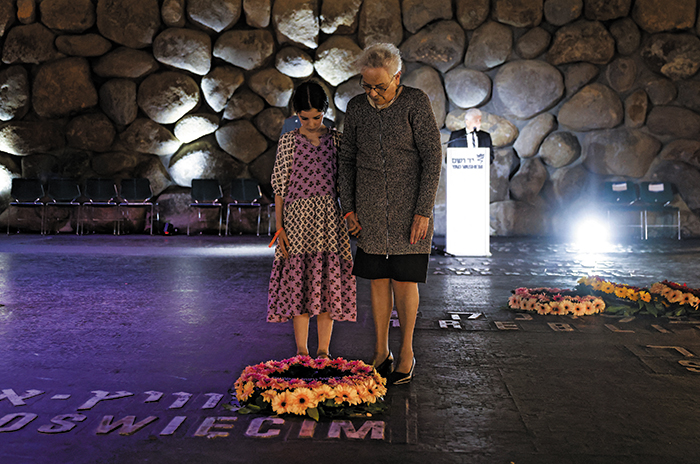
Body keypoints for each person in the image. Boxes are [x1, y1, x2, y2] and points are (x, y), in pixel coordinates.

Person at [338, 43, 442, 385]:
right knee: (378, 280)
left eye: (379, 86)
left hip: (408, 209)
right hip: (367, 209)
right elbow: (347, 159)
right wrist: (348, 207)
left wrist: (423, 211)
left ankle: (408, 352)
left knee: (404, 279)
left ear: (397, 77)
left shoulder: (415, 102)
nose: (373, 93)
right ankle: (381, 352)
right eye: (366, 85)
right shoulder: (356, 108)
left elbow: (431, 157)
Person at [267, 81, 356, 359]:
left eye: (316, 117)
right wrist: (279, 227)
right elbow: (279, 187)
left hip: (329, 222)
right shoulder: (289, 140)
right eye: (304, 118)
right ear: (296, 114)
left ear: (325, 112)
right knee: (301, 284)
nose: (311, 123)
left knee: (327, 283)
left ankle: (324, 350)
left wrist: (350, 214)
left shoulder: (337, 140)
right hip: (297, 222)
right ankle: (302, 351)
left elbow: (345, 184)